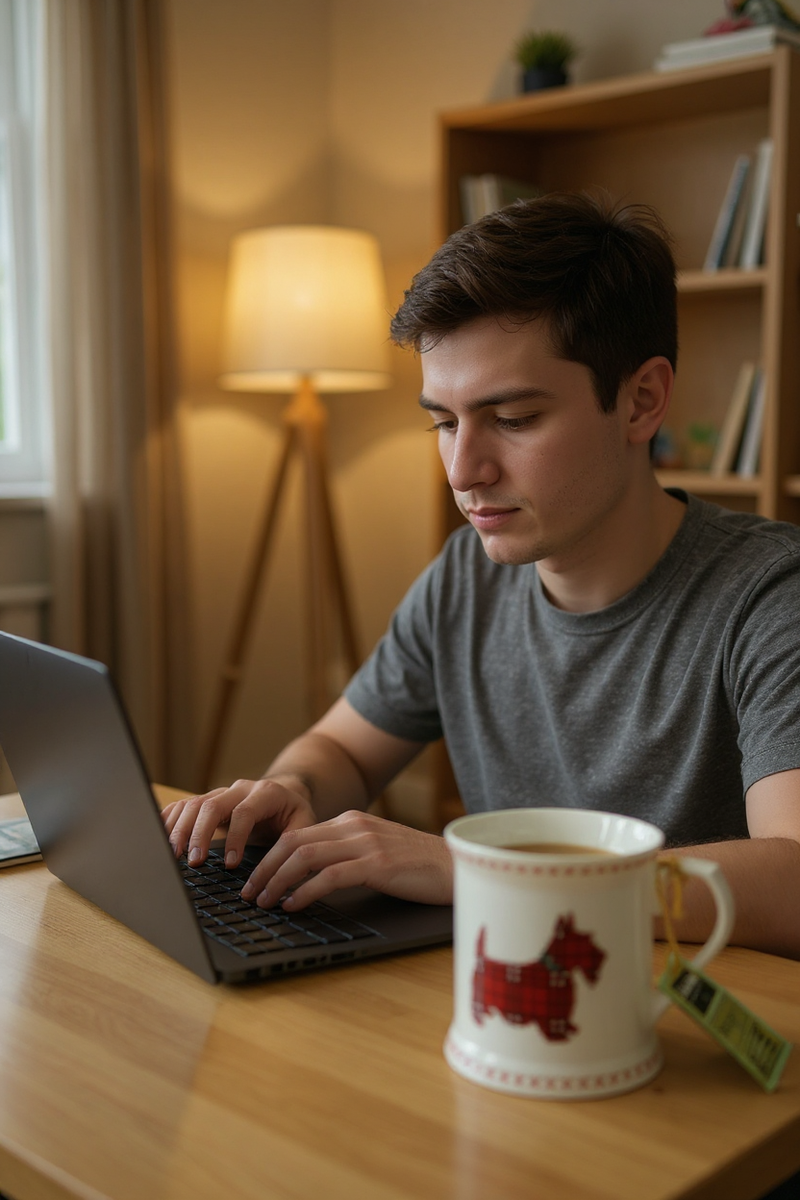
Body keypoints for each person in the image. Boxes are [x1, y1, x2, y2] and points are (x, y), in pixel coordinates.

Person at [164, 192, 800, 960]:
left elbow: (792, 879)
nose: (463, 470)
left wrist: (480, 870)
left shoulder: (771, 596)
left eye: (514, 418)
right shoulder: (467, 576)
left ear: (642, 401)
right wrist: (292, 790)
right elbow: (345, 752)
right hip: (513, 1004)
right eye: (443, 422)